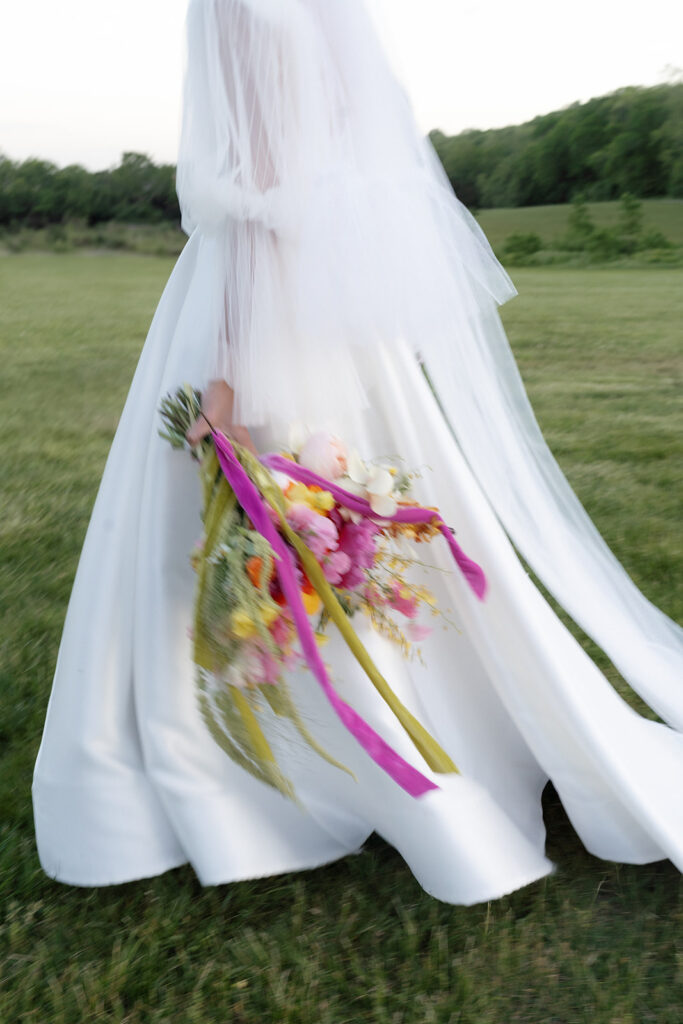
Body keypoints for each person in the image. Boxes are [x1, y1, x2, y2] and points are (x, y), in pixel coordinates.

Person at [32, 0, 682, 904]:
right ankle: (438, 718)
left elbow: (256, 191)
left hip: (263, 289)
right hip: (339, 307)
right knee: (360, 495)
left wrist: (223, 386)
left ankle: (286, 762)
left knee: (268, 499)